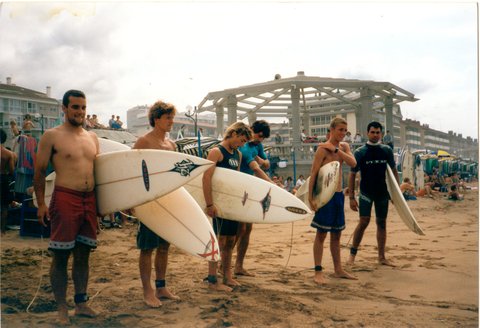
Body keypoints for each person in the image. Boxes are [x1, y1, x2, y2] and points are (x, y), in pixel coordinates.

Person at [34, 90, 99, 325]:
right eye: (75, 107)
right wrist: (41, 204)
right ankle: (62, 308)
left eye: (83, 107)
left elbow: (98, 172)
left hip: (89, 199)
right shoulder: (52, 136)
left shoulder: (92, 138)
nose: (80, 112)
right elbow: (40, 171)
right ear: (64, 108)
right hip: (64, 197)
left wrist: (101, 206)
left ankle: (81, 303)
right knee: (61, 255)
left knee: (83, 255)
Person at [132, 101, 181, 307]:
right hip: (148, 201)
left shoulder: (172, 145)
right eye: (168, 117)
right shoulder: (144, 141)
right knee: (147, 247)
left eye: (172, 117)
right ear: (156, 119)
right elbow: (131, 171)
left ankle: (161, 287)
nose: (171, 121)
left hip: (168, 199)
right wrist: (132, 201)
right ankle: (147, 291)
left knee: (163, 246)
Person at [203, 121, 253, 291]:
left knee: (230, 240)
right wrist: (209, 203)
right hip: (218, 204)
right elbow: (206, 178)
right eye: (241, 140)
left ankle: (227, 276)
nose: (242, 144)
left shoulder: (237, 155)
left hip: (230, 205)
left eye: (245, 142)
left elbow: (235, 181)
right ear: (233, 134)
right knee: (218, 240)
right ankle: (212, 279)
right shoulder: (216, 152)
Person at [308, 117, 357, 284]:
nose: (343, 133)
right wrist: (310, 198)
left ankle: (338, 270)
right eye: (340, 130)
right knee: (321, 234)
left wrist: (337, 151)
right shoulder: (322, 149)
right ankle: (318, 271)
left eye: (345, 130)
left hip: (338, 196)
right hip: (325, 196)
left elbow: (353, 163)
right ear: (331, 130)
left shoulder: (343, 147)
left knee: (337, 234)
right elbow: (314, 174)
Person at [347, 121, 399, 267]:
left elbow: (394, 172)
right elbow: (352, 174)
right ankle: (352, 254)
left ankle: (381, 257)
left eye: (378, 132)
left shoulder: (386, 150)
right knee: (364, 221)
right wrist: (351, 197)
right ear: (367, 133)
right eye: (372, 132)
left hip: (382, 192)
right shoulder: (360, 152)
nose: (375, 135)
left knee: (381, 223)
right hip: (366, 192)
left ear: (381, 134)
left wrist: (397, 194)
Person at [236, 120, 273, 276]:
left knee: (247, 229)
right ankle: (222, 264)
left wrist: (262, 160)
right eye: (259, 135)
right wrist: (272, 185)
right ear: (252, 130)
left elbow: (267, 164)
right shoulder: (243, 146)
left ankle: (238, 265)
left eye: (263, 138)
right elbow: (257, 169)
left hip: (250, 189)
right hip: (238, 189)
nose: (260, 139)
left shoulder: (257, 146)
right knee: (238, 229)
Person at [1, 129, 15, 234]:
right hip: (3, 179)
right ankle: (2, 230)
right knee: (4, 206)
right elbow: (12, 170)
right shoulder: (8, 154)